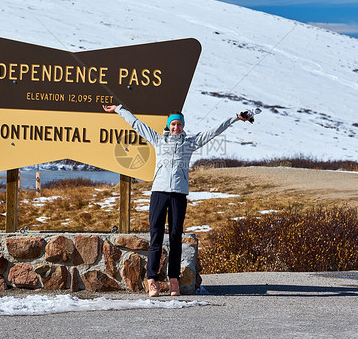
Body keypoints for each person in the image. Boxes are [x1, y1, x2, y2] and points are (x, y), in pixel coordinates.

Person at [103, 104, 250, 297]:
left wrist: (236, 118)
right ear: (168, 126)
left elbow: (214, 131)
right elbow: (137, 124)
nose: (176, 128)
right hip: (159, 193)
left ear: (183, 126)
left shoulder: (189, 143)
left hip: (179, 194)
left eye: (179, 124)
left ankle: (174, 281)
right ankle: (152, 281)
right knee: (155, 236)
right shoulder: (158, 140)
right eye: (173, 124)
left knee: (175, 237)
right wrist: (119, 109)